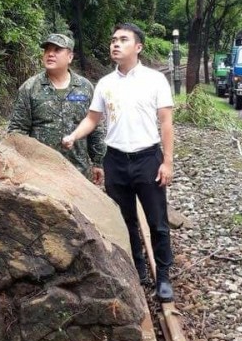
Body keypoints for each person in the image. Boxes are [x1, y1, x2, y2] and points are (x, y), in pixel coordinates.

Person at [62, 23, 175, 301]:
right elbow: (93, 118)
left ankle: (163, 276)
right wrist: (74, 135)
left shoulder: (155, 80)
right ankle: (137, 271)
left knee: (157, 221)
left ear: (138, 47)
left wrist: (168, 162)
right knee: (124, 221)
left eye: (123, 40)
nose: (115, 44)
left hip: (148, 158)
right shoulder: (105, 83)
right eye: (113, 40)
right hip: (115, 160)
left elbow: (166, 122)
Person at [8, 33, 106, 184]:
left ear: (70, 57)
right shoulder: (30, 88)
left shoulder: (85, 87)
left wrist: (98, 162)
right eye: (47, 50)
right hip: (41, 172)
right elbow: (17, 130)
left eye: (57, 50)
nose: (50, 54)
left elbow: (96, 125)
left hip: (78, 171)